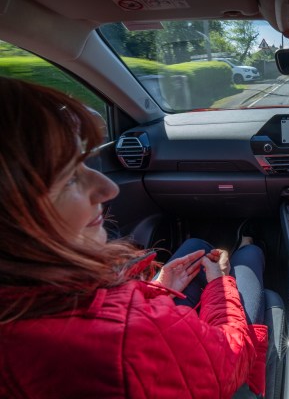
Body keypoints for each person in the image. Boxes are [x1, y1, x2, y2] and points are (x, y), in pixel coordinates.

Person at [0, 77, 268, 398]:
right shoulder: (128, 335)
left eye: (85, 163)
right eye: (70, 178)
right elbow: (232, 359)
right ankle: (250, 246)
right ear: (11, 212)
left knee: (197, 248)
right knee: (247, 262)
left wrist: (157, 288)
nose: (108, 188)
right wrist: (219, 283)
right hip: (220, 374)